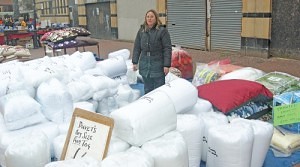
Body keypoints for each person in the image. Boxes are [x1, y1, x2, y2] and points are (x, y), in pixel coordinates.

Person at [132, 9, 172, 94]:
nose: (149, 19)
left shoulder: (162, 31)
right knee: (148, 89)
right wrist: (134, 62)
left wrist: (166, 65)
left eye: (152, 17)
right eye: (148, 17)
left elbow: (167, 48)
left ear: (156, 18)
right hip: (145, 64)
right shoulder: (142, 30)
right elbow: (137, 47)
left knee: (159, 90)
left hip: (158, 64)